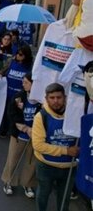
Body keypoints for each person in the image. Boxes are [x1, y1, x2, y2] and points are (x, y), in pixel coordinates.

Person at [32, 83, 79, 211]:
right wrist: (66, 151)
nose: (56, 101)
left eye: (59, 97)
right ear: (46, 99)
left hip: (69, 166)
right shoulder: (41, 117)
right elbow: (38, 145)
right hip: (46, 165)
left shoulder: (75, 114)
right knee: (43, 195)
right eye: (52, 98)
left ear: (64, 97)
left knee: (64, 199)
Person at [1, 73, 41, 198]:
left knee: (31, 161)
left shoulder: (41, 101)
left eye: (26, 82)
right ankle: (9, 181)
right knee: (13, 158)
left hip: (34, 136)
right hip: (19, 135)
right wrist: (24, 127)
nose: (23, 84)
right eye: (23, 82)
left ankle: (27, 183)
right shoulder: (19, 97)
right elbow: (12, 114)